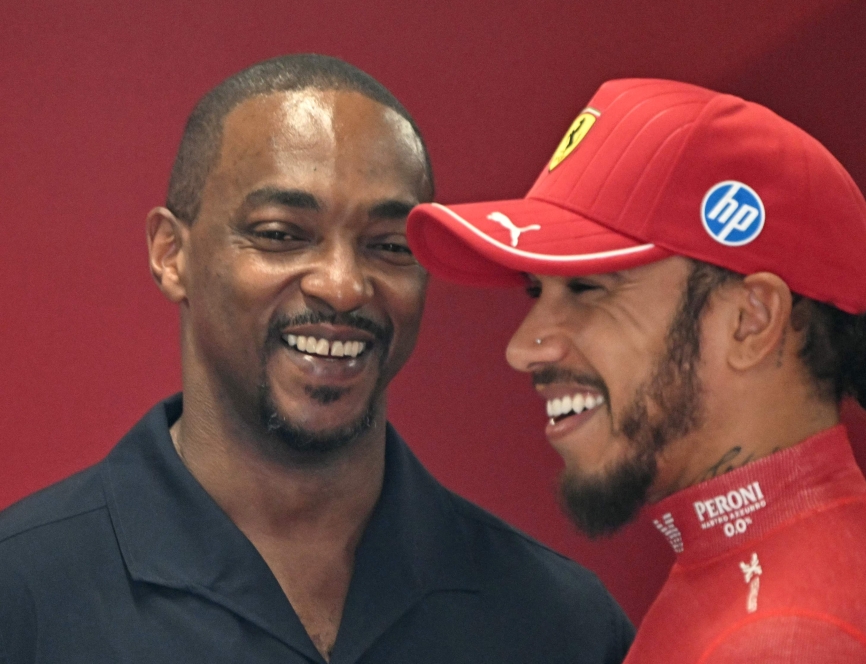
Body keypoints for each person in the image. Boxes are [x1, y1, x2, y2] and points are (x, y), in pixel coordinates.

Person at [0, 55, 635, 664]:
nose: (342, 285)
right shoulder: (22, 594)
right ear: (172, 255)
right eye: (281, 235)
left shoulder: (560, 624)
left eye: (388, 245)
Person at [406, 78, 866, 663]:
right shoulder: (780, 564)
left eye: (587, 288)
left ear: (749, 322)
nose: (523, 348)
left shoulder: (788, 639)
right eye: (537, 291)